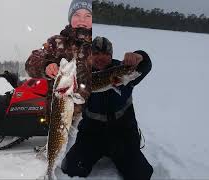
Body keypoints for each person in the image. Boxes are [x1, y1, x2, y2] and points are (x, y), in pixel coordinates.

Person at [61, 36, 154, 180]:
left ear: (111, 55)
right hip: (91, 134)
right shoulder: (82, 74)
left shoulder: (124, 70)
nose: (101, 57)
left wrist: (139, 56)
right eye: (96, 53)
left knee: (141, 174)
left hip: (123, 134)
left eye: (106, 54)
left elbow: (146, 64)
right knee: (70, 167)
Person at [25, 0, 93, 106]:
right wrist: (46, 66)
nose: (82, 19)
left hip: (93, 117)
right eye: (76, 14)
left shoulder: (99, 44)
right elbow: (32, 61)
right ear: (70, 18)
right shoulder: (56, 42)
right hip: (59, 113)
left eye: (88, 15)